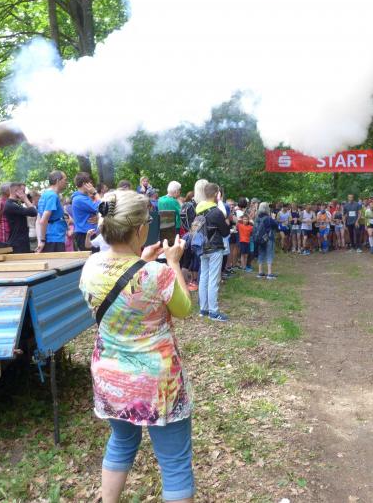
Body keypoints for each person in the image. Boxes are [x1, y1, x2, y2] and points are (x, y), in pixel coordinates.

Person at [78, 190, 194, 503]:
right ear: (141, 229)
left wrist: (143, 260)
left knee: (122, 442)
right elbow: (184, 309)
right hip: (157, 384)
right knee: (174, 462)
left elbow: (126, 285)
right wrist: (173, 262)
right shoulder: (158, 273)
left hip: (111, 378)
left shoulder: (90, 266)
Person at [196, 182, 231, 321]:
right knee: (213, 279)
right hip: (215, 247)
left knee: (204, 277)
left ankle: (203, 309)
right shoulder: (216, 212)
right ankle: (214, 312)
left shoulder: (198, 209)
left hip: (202, 247)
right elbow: (225, 232)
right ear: (217, 194)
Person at [36, 171, 69, 253]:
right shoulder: (52, 196)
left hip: (50, 238)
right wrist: (42, 241)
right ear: (58, 181)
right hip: (54, 239)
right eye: (65, 180)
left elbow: (38, 220)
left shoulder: (44, 195)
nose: (66, 182)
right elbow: (43, 220)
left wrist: (40, 240)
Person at [4, 183, 38, 254]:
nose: (24, 194)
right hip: (17, 243)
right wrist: (25, 199)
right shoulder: (10, 205)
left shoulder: (16, 203)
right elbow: (33, 212)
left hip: (22, 241)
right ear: (16, 191)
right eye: (23, 191)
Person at [71, 172, 101, 251]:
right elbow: (102, 207)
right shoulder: (80, 199)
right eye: (90, 183)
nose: (92, 185)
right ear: (84, 184)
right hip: (84, 234)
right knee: (91, 257)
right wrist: (95, 192)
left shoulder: (83, 197)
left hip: (88, 233)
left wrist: (97, 217)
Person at [254, 202, 279, 278]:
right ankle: (269, 273)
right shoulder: (268, 218)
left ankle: (260, 272)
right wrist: (274, 218)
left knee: (261, 254)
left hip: (259, 239)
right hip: (268, 238)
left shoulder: (257, 218)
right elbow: (276, 226)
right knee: (269, 254)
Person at [0, 182, 11, 247]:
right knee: (3, 247)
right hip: (3, 229)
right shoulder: (1, 202)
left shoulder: (8, 201)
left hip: (9, 228)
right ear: (6, 191)